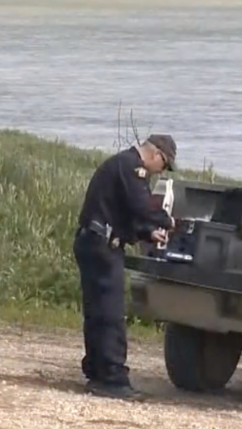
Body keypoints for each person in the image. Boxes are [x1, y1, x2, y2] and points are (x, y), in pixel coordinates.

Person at [74, 134, 177, 400]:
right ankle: (112, 377)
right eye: (164, 165)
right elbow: (141, 206)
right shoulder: (132, 168)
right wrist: (166, 221)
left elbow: (122, 212)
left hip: (94, 240)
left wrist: (147, 233)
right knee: (110, 313)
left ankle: (97, 370)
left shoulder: (121, 165)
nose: (161, 171)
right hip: (102, 246)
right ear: (155, 155)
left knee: (97, 311)